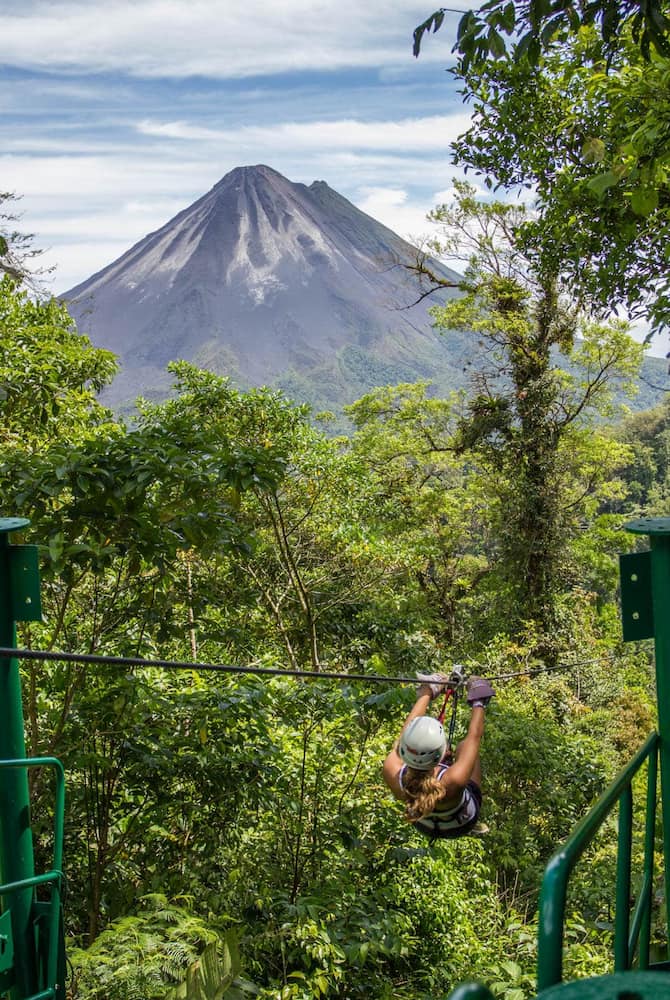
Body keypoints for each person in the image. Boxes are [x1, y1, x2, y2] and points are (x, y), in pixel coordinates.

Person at [382, 672, 494, 840]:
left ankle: (429, 689)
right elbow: (474, 737)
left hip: (423, 823)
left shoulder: (391, 770)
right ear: (441, 754)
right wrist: (479, 698)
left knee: (465, 750)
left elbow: (405, 738)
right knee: (464, 747)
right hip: (462, 822)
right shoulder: (453, 780)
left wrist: (428, 690)